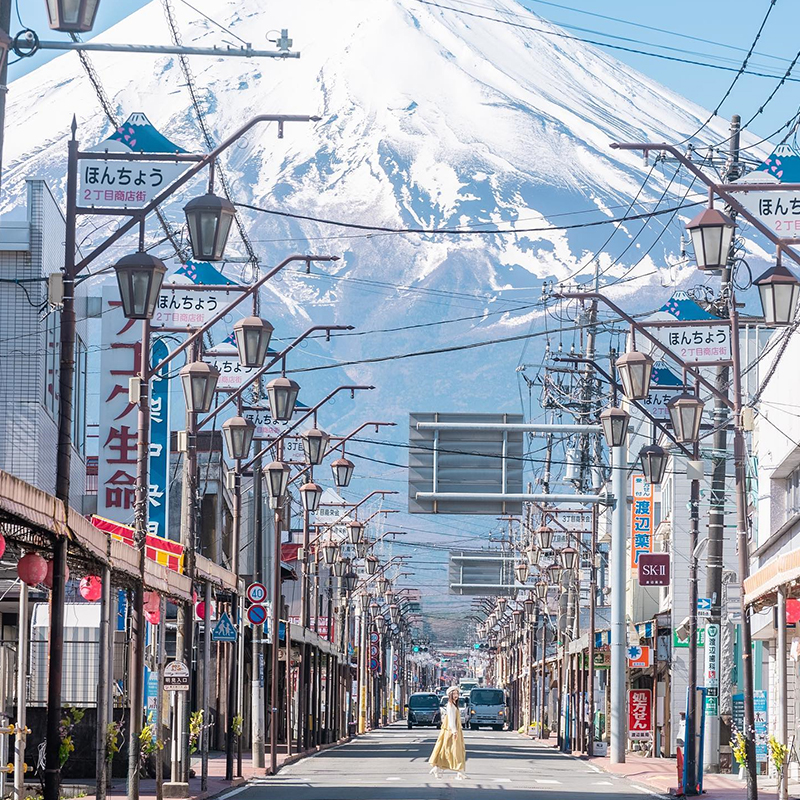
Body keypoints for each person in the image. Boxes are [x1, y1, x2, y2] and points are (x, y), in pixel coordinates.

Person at [428, 685, 467, 780]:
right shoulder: (450, 706)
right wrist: (454, 731)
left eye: (457, 693)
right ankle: (459, 771)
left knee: (450, 751)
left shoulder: (453, 705)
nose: (456, 695)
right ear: (450, 695)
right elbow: (451, 719)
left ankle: (438, 768)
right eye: (454, 694)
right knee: (454, 751)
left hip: (454, 731)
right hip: (451, 731)